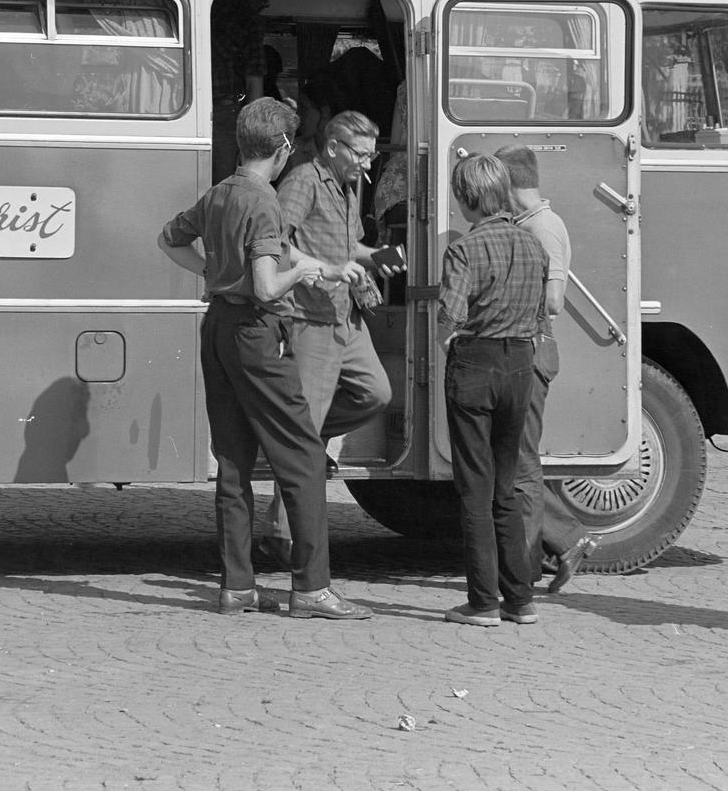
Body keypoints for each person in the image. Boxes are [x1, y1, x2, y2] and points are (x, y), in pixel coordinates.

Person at [157, 97, 372, 620]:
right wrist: (299, 274)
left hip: (218, 329)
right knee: (302, 456)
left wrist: (213, 273)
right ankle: (312, 587)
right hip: (256, 330)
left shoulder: (221, 193)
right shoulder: (266, 201)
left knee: (233, 461)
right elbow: (267, 282)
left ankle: (237, 586)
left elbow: (169, 239)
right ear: (282, 148)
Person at [257, 109, 405, 568]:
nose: (367, 163)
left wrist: (377, 257)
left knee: (374, 393)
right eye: (360, 154)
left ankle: (304, 439)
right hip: (311, 317)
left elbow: (349, 247)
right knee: (305, 429)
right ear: (335, 147)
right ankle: (283, 537)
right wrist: (321, 269)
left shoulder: (346, 184)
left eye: (371, 154)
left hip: (346, 314)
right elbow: (275, 239)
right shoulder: (303, 180)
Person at [437, 153, 549, 627]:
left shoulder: (465, 248)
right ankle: (520, 598)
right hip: (520, 362)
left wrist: (446, 333)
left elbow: (452, 313)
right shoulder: (533, 245)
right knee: (507, 484)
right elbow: (543, 312)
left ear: (466, 198)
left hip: (476, 362)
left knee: (474, 489)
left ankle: (482, 601)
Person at [494, 145, 599, 594]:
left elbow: (554, 299)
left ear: (508, 182)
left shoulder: (542, 227)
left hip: (532, 346)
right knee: (517, 456)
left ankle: (545, 552)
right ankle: (547, 549)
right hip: (530, 345)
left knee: (520, 459)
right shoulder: (531, 223)